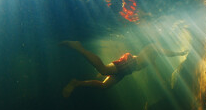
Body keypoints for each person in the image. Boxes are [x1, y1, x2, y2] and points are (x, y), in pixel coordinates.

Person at [59, 41, 187, 98]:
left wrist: (162, 80)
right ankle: (78, 47)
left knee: (104, 86)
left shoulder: (153, 55)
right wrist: (179, 53)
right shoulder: (154, 48)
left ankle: (76, 83)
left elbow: (154, 65)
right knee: (103, 70)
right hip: (130, 63)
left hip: (129, 68)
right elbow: (166, 52)